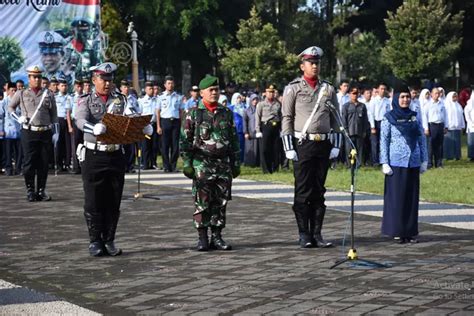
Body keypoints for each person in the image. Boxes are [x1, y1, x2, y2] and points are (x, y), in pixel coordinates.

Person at [76, 62, 153, 257]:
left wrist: (141, 126)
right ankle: (95, 241)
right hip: (94, 154)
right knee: (94, 199)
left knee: (113, 199)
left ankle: (109, 240)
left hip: (115, 153)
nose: (107, 83)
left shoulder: (121, 99)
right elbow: (80, 120)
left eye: (110, 80)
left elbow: (130, 116)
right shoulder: (86, 100)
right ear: (94, 80)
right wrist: (92, 128)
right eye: (103, 79)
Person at [281, 46, 342, 248]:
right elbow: (287, 118)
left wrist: (337, 144)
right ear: (302, 65)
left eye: (317, 63)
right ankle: (304, 234)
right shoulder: (293, 88)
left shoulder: (328, 88)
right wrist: (288, 146)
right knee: (303, 191)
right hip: (302, 144)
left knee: (319, 190)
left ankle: (317, 234)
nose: (314, 66)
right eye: (310, 62)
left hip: (323, 144)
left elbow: (336, 118)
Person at [180, 74, 240, 251]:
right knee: (202, 202)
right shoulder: (193, 113)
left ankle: (217, 236)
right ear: (202, 93)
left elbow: (233, 139)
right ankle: (202, 237)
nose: (215, 93)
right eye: (211, 90)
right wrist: (187, 163)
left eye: (216, 90)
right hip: (202, 164)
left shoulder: (225, 113)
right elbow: (184, 140)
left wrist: (235, 162)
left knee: (220, 202)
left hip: (222, 165)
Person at [380, 86, 428, 244]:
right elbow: (384, 141)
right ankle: (397, 231)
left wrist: (424, 159)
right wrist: (384, 162)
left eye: (408, 97)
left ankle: (410, 231)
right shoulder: (388, 117)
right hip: (396, 163)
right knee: (397, 199)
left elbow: (421, 139)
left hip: (412, 162)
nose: (406, 99)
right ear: (396, 99)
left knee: (411, 199)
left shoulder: (415, 117)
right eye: (402, 97)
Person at [9, 65, 58, 201]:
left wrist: (56, 132)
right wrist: (18, 118)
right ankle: (30, 190)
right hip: (29, 132)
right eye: (34, 77)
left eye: (39, 77)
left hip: (45, 132)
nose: (37, 79)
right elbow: (10, 107)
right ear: (29, 78)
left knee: (43, 162)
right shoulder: (22, 93)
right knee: (29, 162)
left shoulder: (48, 94)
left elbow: (54, 114)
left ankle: (41, 190)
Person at [156, 75, 184, 172]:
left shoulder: (178, 97)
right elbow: (158, 112)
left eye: (172, 83)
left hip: (175, 121)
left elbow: (181, 111)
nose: (170, 85)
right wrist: (158, 126)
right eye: (168, 83)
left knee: (175, 146)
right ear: (165, 85)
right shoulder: (160, 97)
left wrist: (181, 124)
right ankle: (166, 166)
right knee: (164, 145)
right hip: (165, 121)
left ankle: (173, 165)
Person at [255, 85, 282, 173]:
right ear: (265, 93)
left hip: (276, 126)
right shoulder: (261, 104)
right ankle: (266, 169)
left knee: (275, 148)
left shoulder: (278, 104)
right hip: (266, 126)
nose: (271, 94)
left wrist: (282, 129)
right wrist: (258, 130)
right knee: (265, 149)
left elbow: (281, 117)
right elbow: (257, 117)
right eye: (269, 92)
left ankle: (275, 168)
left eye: (272, 92)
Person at [341, 85, 369, 167]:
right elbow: (344, 120)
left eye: (357, 93)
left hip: (359, 131)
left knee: (359, 149)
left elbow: (365, 119)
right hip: (349, 131)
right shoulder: (346, 106)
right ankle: (349, 165)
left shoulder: (362, 106)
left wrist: (364, 131)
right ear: (349, 94)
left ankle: (358, 164)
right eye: (353, 93)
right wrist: (345, 131)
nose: (355, 95)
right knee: (349, 149)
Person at [0, 82, 22, 176]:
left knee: (19, 151)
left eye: (15, 90)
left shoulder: (20, 102)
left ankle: (18, 168)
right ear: (7, 90)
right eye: (12, 90)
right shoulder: (4, 102)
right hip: (8, 130)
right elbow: (1, 117)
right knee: (8, 152)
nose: (14, 92)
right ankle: (8, 168)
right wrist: (1, 129)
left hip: (18, 130)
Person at [367, 82, 391, 166]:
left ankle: (383, 160)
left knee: (384, 142)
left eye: (384, 89)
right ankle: (375, 161)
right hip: (376, 122)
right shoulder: (373, 100)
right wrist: (373, 126)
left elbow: (389, 113)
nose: (383, 90)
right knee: (375, 143)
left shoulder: (387, 101)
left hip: (385, 122)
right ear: (378, 90)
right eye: (381, 89)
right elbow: (371, 114)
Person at [423, 87, 447, 168]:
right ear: (431, 94)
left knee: (439, 145)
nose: (438, 95)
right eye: (436, 93)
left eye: (439, 93)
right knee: (431, 145)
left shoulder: (442, 103)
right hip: (432, 125)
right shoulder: (428, 104)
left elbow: (445, 115)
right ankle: (429, 163)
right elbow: (424, 116)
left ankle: (439, 163)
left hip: (440, 125)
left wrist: (446, 126)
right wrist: (426, 128)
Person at [137, 81, 157, 169]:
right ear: (145, 90)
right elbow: (139, 113)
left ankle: (153, 163)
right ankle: (144, 163)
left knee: (154, 145)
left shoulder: (157, 99)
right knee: (145, 145)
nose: (151, 90)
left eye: (152, 88)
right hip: (145, 125)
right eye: (149, 89)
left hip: (154, 124)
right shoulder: (141, 101)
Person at [55, 77, 73, 171]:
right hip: (58, 120)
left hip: (67, 120)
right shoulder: (55, 97)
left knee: (67, 143)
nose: (64, 87)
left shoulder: (70, 97)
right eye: (62, 86)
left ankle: (67, 163)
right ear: (58, 87)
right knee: (58, 143)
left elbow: (70, 111)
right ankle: (58, 164)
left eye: (65, 86)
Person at [67, 78, 84, 174]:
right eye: (78, 86)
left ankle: (84, 166)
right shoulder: (71, 97)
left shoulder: (86, 97)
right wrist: (69, 126)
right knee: (75, 145)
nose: (80, 88)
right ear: (74, 87)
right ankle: (76, 167)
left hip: (84, 122)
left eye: (81, 86)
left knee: (84, 145)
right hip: (75, 122)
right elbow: (68, 112)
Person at [443, 92, 465, 160]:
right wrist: (445, 126)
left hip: (457, 127)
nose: (455, 98)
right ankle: (448, 156)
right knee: (449, 142)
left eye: (456, 96)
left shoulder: (458, 105)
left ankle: (457, 156)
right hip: (449, 127)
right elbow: (444, 116)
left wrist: (462, 125)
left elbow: (461, 116)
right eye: (453, 97)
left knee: (457, 142)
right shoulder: (446, 105)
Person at [243, 94, 260, 167]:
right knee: (249, 147)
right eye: (253, 100)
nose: (255, 101)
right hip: (249, 132)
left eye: (256, 100)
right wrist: (246, 132)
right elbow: (244, 122)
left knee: (257, 147)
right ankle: (249, 163)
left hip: (258, 132)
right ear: (250, 100)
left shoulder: (259, 109)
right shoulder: (246, 111)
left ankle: (257, 163)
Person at [229, 92, 246, 162]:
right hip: (234, 129)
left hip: (243, 129)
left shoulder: (244, 107)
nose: (239, 99)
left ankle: (242, 160)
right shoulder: (231, 108)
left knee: (243, 145)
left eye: (240, 98)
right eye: (237, 98)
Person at [464, 91, 474, 162]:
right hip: (472, 126)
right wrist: (472, 123)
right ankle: (471, 156)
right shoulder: (468, 106)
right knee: (471, 142)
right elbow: (467, 117)